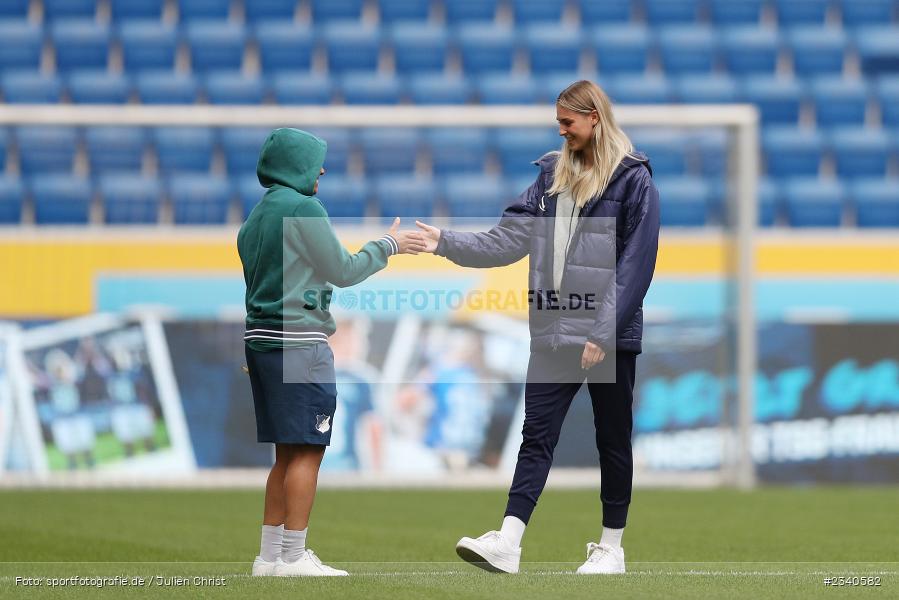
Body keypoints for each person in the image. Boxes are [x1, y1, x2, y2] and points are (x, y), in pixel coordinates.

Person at [416, 80, 660, 575]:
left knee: (612, 439)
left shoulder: (635, 180)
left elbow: (637, 263)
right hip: (552, 328)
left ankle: (611, 548)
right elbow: (505, 241)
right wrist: (444, 241)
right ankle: (509, 541)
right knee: (536, 436)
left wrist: (602, 332)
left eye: (568, 122)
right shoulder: (550, 174)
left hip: (605, 334)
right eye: (559, 123)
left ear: (594, 117)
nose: (562, 130)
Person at [237, 128, 425, 577]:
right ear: (295, 165)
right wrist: (389, 245)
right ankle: (295, 556)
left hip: (262, 341)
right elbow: (344, 270)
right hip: (301, 343)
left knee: (284, 454)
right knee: (307, 451)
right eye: (315, 161)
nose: (321, 169)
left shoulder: (255, 217)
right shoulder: (304, 208)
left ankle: (269, 558)